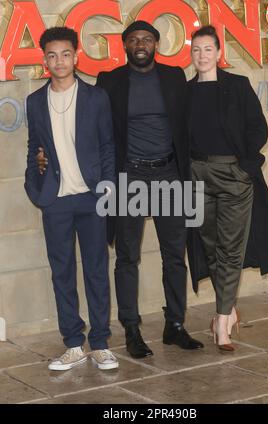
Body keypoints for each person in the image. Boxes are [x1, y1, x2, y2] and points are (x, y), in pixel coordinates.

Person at [96, 20, 203, 358]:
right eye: (133, 40)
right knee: (127, 256)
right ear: (124, 45)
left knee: (176, 254)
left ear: (156, 44)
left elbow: (188, 126)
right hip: (130, 178)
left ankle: (175, 325)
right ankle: (131, 328)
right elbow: (100, 131)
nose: (140, 44)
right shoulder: (110, 81)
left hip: (170, 175)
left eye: (146, 39)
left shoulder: (173, 77)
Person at [24, 27, 118, 371]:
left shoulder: (96, 98)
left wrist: (108, 187)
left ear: (76, 56)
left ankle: (101, 343)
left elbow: (108, 146)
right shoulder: (35, 101)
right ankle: (74, 344)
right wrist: (35, 186)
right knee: (61, 272)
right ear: (44, 59)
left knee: (96, 270)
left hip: (92, 197)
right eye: (52, 55)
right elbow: (34, 146)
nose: (59, 61)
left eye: (65, 54)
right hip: (56, 200)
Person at [186, 25, 268, 351]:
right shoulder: (184, 93)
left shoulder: (237, 86)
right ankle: (226, 311)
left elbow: (258, 128)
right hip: (196, 177)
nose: (202, 56)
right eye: (196, 50)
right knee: (211, 248)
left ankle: (222, 324)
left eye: (208, 50)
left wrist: (245, 166)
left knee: (230, 249)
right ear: (192, 54)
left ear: (218, 53)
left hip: (233, 175)